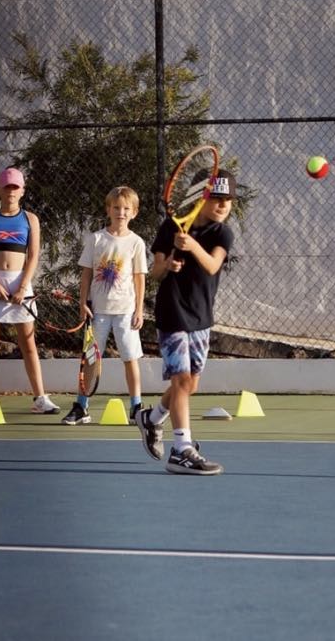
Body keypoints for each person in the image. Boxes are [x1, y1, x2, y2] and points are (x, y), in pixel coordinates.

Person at [135, 168, 236, 475]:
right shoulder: (171, 227)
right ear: (199, 198)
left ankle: (150, 420)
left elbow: (212, 265)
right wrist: (169, 264)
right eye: (216, 198)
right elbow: (154, 273)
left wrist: (192, 247)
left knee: (189, 385)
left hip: (201, 314)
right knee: (179, 380)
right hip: (173, 310)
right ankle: (181, 449)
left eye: (228, 200)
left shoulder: (222, 233)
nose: (222, 205)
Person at [0, 167, 60, 416]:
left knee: (28, 343)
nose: (11, 192)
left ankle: (40, 398)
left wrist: (21, 287)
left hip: (21, 286)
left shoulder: (31, 219)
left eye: (15, 187)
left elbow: (33, 257)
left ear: (22, 191)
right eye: (6, 187)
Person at [61, 186, 148, 426]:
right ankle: (82, 406)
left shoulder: (136, 243)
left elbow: (140, 278)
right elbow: (86, 274)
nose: (121, 212)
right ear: (108, 209)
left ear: (134, 213)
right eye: (116, 207)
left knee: (130, 358)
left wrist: (139, 310)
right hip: (97, 312)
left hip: (126, 313)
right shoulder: (96, 239)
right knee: (90, 359)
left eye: (126, 208)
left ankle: (136, 407)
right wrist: (82, 302)